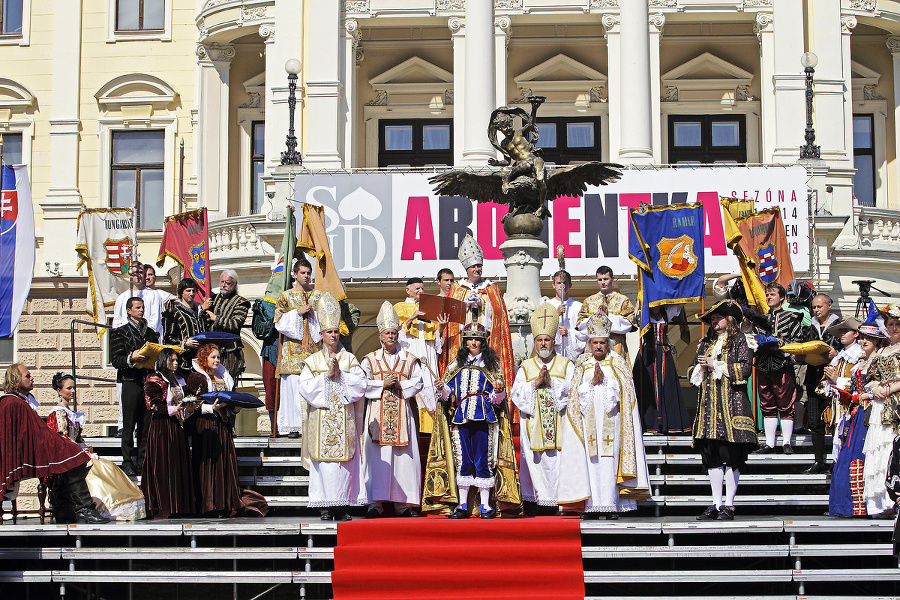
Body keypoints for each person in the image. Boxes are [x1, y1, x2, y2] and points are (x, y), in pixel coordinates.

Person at [557, 311, 650, 518]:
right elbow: (573, 396)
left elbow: (626, 393)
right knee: (590, 462)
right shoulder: (581, 363)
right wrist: (591, 383)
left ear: (608, 343)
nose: (598, 346)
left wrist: (605, 382)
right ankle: (591, 506)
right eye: (594, 343)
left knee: (609, 459)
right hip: (587, 421)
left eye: (602, 343)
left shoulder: (618, 363)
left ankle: (610, 504)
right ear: (589, 343)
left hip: (612, 421)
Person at [429, 323, 520, 519]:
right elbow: (448, 394)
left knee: (483, 460)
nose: (473, 342)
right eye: (470, 339)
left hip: (483, 417)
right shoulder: (456, 365)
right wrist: (441, 387)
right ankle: (462, 505)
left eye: (477, 339)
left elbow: (498, 398)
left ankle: (485, 506)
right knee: (463, 461)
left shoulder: (491, 365)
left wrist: (497, 390)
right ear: (464, 342)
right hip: (461, 417)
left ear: (483, 342)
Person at [0, 364, 109, 524]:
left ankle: (74, 509)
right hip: (23, 453)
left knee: (72, 455)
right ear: (16, 379)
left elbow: (36, 429)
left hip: (31, 448)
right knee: (70, 455)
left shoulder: (20, 401)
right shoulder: (11, 403)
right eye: (27, 376)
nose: (32, 378)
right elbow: (24, 434)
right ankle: (83, 509)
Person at [296, 292, 368, 520]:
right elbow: (305, 387)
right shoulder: (313, 361)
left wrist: (342, 377)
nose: (333, 335)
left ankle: (342, 506)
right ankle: (325, 506)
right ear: (321, 334)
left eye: (336, 331)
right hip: (322, 423)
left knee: (343, 466)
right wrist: (327, 376)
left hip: (344, 422)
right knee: (324, 466)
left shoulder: (349, 359)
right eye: (329, 332)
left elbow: (361, 385)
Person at [689, 300, 757, 521]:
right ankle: (716, 504)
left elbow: (744, 369)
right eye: (712, 319)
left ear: (729, 320)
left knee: (732, 456)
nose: (713, 321)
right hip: (709, 411)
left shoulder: (739, 340)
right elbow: (692, 370)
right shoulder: (705, 342)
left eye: (717, 317)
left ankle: (729, 504)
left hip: (731, 407)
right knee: (712, 457)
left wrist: (716, 364)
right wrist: (700, 366)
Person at [48, 373, 146, 521]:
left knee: (109, 467)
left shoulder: (71, 414)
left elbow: (77, 439)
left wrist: (86, 450)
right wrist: (81, 452)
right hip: (69, 457)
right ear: (59, 391)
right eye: (69, 388)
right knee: (96, 473)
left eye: (74, 387)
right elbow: (63, 440)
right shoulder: (58, 413)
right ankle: (91, 508)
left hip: (78, 453)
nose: (73, 391)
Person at [184, 343, 267, 517]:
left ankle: (223, 502)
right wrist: (210, 409)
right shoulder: (196, 377)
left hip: (222, 425)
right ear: (203, 358)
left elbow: (229, 401)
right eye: (213, 357)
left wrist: (235, 408)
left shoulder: (223, 377)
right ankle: (208, 505)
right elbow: (192, 404)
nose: (216, 360)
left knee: (223, 462)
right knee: (208, 463)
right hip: (205, 425)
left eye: (218, 357)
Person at [360, 302, 427, 518]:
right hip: (378, 416)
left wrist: (400, 385)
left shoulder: (409, 359)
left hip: (402, 416)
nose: (391, 336)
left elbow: (418, 382)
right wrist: (381, 385)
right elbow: (361, 384)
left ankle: (403, 504)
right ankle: (375, 504)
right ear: (380, 335)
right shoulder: (370, 360)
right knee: (378, 460)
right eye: (387, 333)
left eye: (394, 332)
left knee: (403, 460)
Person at [510, 303, 574, 512]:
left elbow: (574, 392)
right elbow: (516, 395)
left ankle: (559, 501)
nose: (543, 343)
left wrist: (553, 383)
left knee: (558, 464)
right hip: (534, 427)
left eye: (547, 339)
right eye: (540, 340)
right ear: (535, 342)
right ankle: (535, 501)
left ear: (554, 342)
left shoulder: (566, 364)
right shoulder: (526, 367)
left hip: (560, 426)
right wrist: (535, 384)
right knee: (536, 464)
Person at [828, 322, 885, 517]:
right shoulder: (860, 362)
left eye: (869, 338)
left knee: (866, 455)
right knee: (847, 456)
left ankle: (867, 506)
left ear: (877, 340)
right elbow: (854, 388)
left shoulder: (879, 360)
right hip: (857, 412)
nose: (864, 341)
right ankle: (847, 506)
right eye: (862, 337)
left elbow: (882, 387)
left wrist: (864, 396)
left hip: (872, 412)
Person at [447, 235, 515, 391]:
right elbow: (451, 318)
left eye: (479, 265)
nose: (477, 269)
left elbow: (499, 316)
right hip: (464, 341)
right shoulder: (457, 289)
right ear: (467, 269)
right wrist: (465, 306)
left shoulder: (491, 288)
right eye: (473, 267)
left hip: (487, 341)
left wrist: (483, 305)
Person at [142, 349, 196, 519]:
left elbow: (182, 402)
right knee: (164, 464)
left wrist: (189, 409)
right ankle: (164, 505)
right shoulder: (154, 379)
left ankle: (178, 505)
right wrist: (174, 409)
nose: (176, 363)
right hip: (161, 428)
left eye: (176, 360)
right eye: (172, 360)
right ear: (164, 360)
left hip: (176, 426)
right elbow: (152, 405)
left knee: (176, 464)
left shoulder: (177, 379)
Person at [753, 282, 806, 455]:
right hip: (763, 365)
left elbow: (798, 342)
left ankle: (786, 443)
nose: (769, 297)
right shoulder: (760, 319)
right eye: (767, 295)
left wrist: (780, 345)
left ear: (782, 298)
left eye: (772, 294)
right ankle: (769, 443)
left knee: (785, 404)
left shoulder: (791, 318)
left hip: (783, 366)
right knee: (767, 405)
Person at [110, 296, 160, 477]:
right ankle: (127, 460)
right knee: (129, 423)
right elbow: (115, 360)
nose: (141, 310)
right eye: (137, 307)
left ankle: (142, 460)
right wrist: (131, 357)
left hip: (147, 381)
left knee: (146, 424)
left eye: (143, 307)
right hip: (130, 381)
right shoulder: (120, 332)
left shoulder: (151, 333)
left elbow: (158, 355)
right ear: (129, 310)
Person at [274, 257, 322, 440]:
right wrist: (297, 313)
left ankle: (312, 424)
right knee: (292, 388)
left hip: (313, 350)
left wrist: (313, 314)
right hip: (292, 351)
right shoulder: (286, 296)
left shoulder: (317, 295)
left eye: (309, 273)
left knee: (313, 385)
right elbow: (278, 321)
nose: (306, 276)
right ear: (295, 274)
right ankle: (294, 426)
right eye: (303, 273)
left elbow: (324, 320)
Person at [394, 277, 447, 439]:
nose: (421, 291)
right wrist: (412, 317)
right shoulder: (399, 307)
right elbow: (397, 335)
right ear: (407, 290)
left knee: (430, 386)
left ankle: (431, 433)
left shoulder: (430, 306)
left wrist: (442, 327)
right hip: (412, 350)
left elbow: (437, 341)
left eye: (422, 288)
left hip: (428, 352)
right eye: (417, 288)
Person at [633, 304, 691, 434]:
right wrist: (638, 304)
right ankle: (648, 423)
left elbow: (681, 302)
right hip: (647, 353)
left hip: (663, 352)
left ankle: (666, 423)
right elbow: (634, 320)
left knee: (666, 386)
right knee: (646, 387)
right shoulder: (644, 314)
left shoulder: (667, 313)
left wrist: (697, 284)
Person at [866, 304, 900, 517]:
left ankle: (893, 499)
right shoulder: (880, 351)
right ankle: (879, 503)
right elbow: (869, 376)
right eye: (890, 324)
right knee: (878, 447)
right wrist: (875, 388)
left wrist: (887, 389)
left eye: (897, 324)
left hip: (896, 401)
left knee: (892, 448)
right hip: (880, 404)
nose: (894, 328)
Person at [802, 293, 842, 474]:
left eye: (819, 306)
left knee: (835, 421)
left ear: (829, 306)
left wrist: (837, 353)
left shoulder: (839, 326)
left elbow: (849, 349)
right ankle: (819, 461)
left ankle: (837, 461)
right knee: (814, 421)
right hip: (813, 379)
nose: (816, 310)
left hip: (832, 380)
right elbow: (803, 347)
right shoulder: (809, 327)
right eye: (814, 307)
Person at [201, 269, 250, 382]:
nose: (224, 285)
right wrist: (203, 309)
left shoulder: (241, 302)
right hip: (212, 349)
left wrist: (215, 318)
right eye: (222, 282)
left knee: (227, 382)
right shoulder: (213, 299)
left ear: (234, 284)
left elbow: (235, 324)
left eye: (227, 283)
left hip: (229, 351)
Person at [577, 266, 635, 360]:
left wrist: (608, 317)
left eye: (606, 279)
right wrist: (597, 317)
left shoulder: (623, 300)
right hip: (594, 349)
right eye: (600, 279)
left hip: (616, 347)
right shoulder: (589, 301)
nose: (603, 282)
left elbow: (630, 324)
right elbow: (580, 325)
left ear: (612, 279)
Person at [162, 278, 205, 375]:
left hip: (200, 361)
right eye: (188, 291)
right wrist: (184, 343)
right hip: (182, 362)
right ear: (181, 293)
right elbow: (167, 339)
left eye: (193, 291)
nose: (191, 293)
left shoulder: (200, 313)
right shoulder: (174, 313)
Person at [543, 270, 586, 361]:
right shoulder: (546, 306)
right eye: (559, 283)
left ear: (570, 285)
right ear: (553, 285)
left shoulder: (579, 307)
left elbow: (584, 333)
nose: (562, 286)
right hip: (553, 352)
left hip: (571, 352)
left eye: (565, 283)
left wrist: (569, 333)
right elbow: (542, 328)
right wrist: (555, 315)